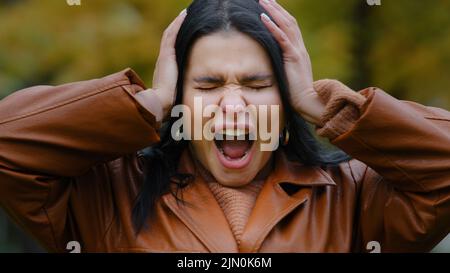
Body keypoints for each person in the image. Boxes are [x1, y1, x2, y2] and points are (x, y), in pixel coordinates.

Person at [0, 0, 449, 253]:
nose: (233, 107)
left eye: (257, 84)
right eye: (209, 84)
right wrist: (148, 104)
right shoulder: (105, 195)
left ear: (285, 97)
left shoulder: (354, 196)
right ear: (180, 96)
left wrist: (324, 105)